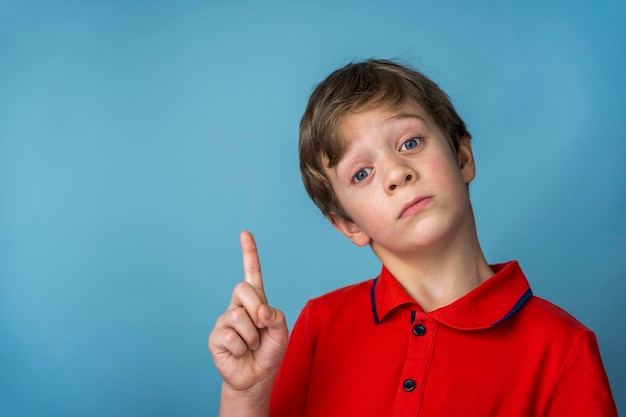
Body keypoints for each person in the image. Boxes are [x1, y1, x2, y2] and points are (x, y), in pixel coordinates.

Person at [208, 59, 618, 416]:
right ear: (349, 225)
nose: (396, 172)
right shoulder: (321, 323)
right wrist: (245, 396)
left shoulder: (563, 347)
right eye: (361, 173)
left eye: (410, 142)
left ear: (462, 157)